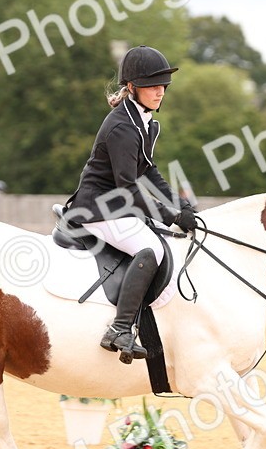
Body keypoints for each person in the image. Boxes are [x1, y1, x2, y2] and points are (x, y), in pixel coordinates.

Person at [63, 45, 197, 363]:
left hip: (117, 203)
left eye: (163, 85)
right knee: (149, 250)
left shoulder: (145, 122)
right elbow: (128, 188)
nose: (160, 91)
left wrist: (181, 205)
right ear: (133, 87)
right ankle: (120, 329)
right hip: (98, 207)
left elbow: (148, 170)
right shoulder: (123, 126)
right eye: (152, 85)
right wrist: (170, 215)